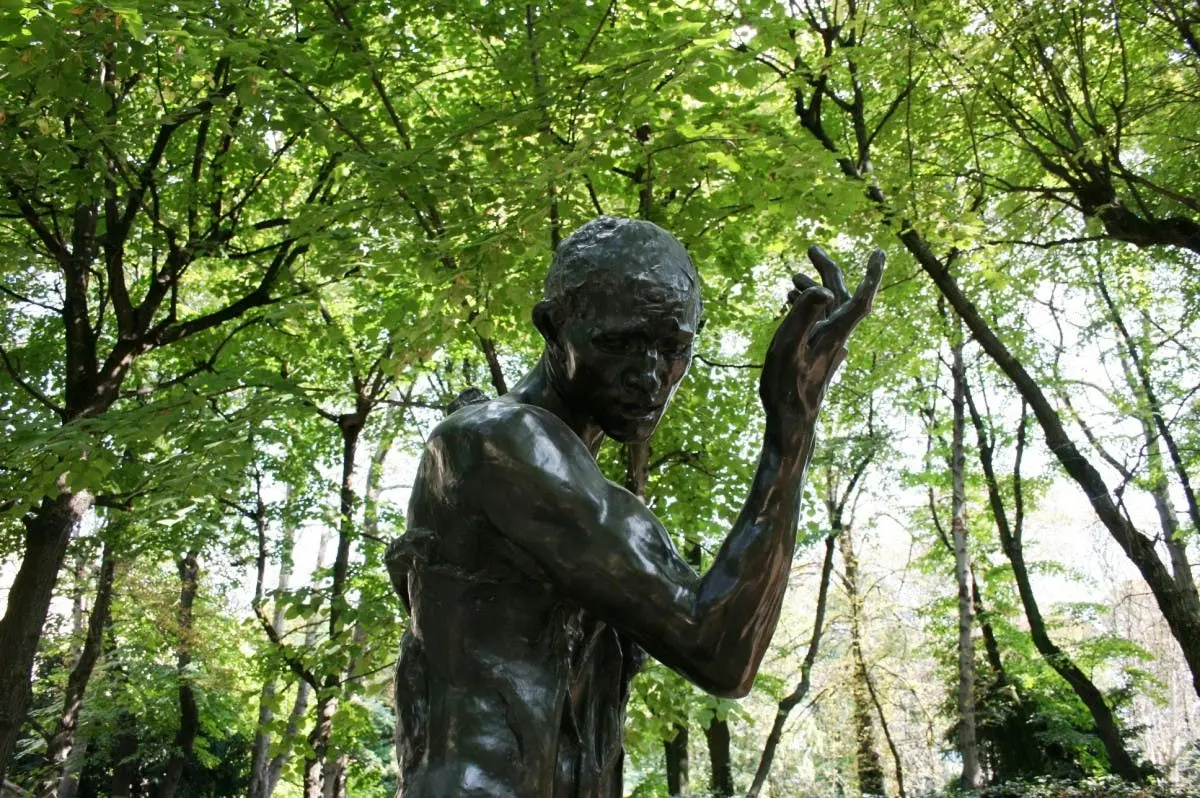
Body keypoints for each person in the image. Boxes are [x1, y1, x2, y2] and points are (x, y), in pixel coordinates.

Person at [387, 216, 883, 797]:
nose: (650, 378)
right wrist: (791, 426)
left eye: (674, 348)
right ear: (552, 327)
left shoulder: (562, 469)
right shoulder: (501, 443)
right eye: (618, 343)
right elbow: (721, 652)